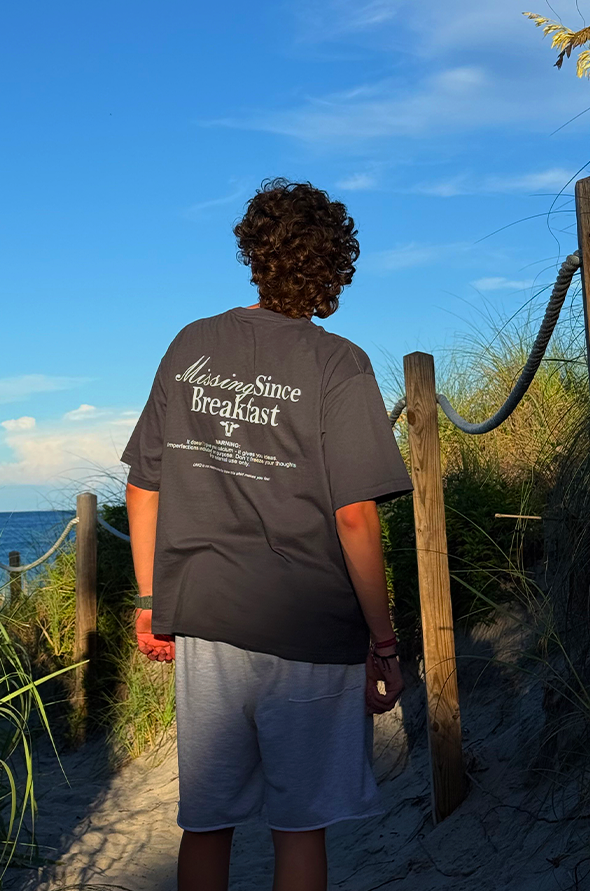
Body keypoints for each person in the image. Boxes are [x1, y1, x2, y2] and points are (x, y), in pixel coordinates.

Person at [122, 178, 412, 891]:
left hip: (208, 621)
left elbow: (143, 486)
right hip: (309, 628)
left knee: (207, 820)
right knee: (300, 825)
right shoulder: (338, 362)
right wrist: (383, 641)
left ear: (254, 254)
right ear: (333, 266)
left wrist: (150, 599)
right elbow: (354, 515)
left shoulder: (192, 343)